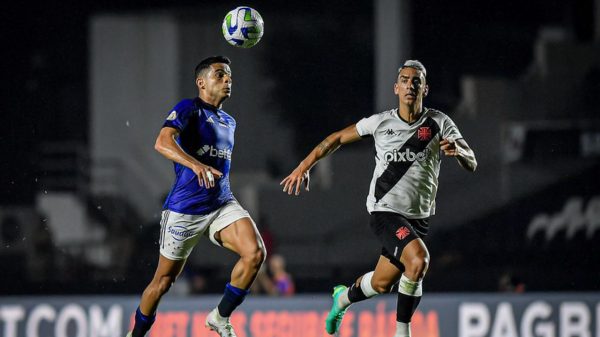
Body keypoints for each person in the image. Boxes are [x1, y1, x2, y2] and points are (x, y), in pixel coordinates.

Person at [280, 60, 477, 337]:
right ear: (397, 88)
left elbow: (472, 162)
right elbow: (337, 138)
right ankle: (402, 332)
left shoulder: (439, 123)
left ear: (426, 87)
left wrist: (458, 151)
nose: (411, 84)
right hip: (384, 211)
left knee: (382, 284)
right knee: (418, 260)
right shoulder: (381, 122)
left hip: (418, 218)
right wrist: (304, 166)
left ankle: (343, 299)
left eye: (417, 80)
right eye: (406, 80)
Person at [127, 56, 267, 337]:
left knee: (255, 254)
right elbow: (162, 142)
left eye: (229, 76)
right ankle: (136, 334)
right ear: (201, 82)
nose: (227, 80)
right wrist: (195, 164)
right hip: (185, 209)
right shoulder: (188, 108)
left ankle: (220, 317)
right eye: (219, 75)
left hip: (221, 202)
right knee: (163, 281)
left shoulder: (230, 121)